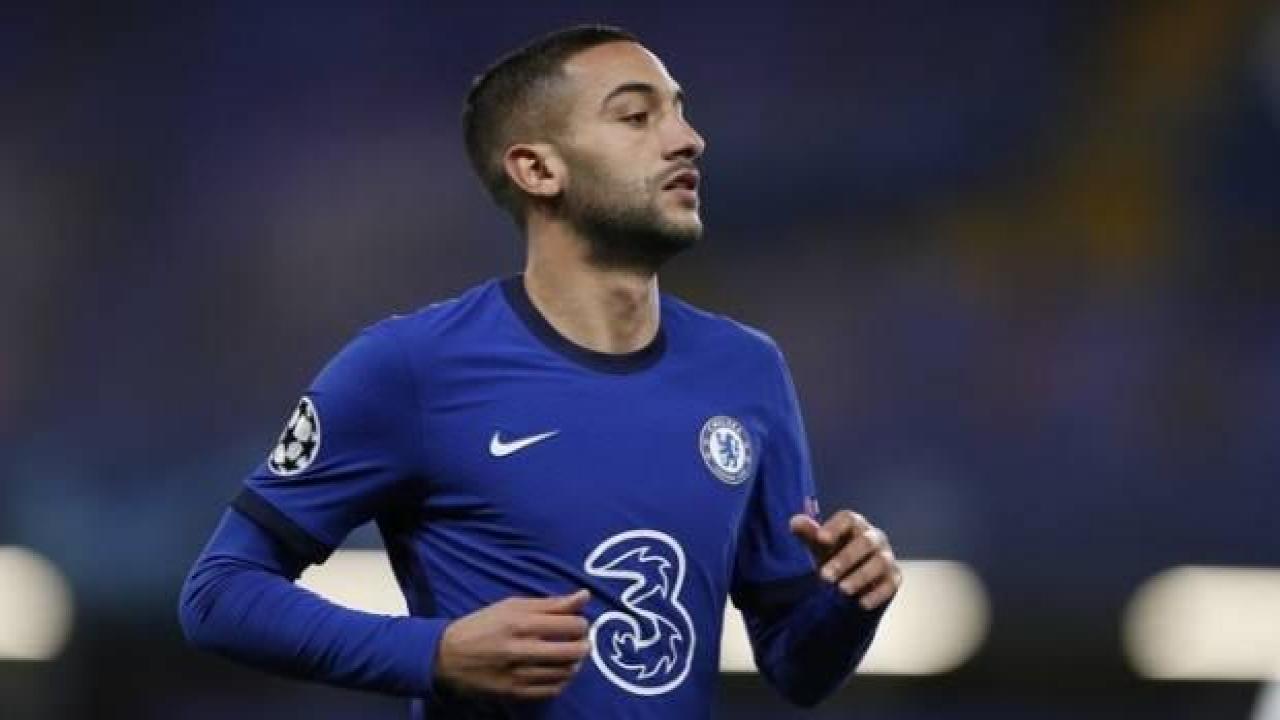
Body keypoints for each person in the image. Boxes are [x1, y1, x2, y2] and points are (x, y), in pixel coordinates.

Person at [178, 23, 902, 718]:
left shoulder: (747, 369)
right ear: (538, 169)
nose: (687, 139)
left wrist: (850, 600)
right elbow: (219, 593)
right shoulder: (410, 368)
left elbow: (797, 669)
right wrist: (433, 652)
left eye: (680, 111)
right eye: (636, 117)